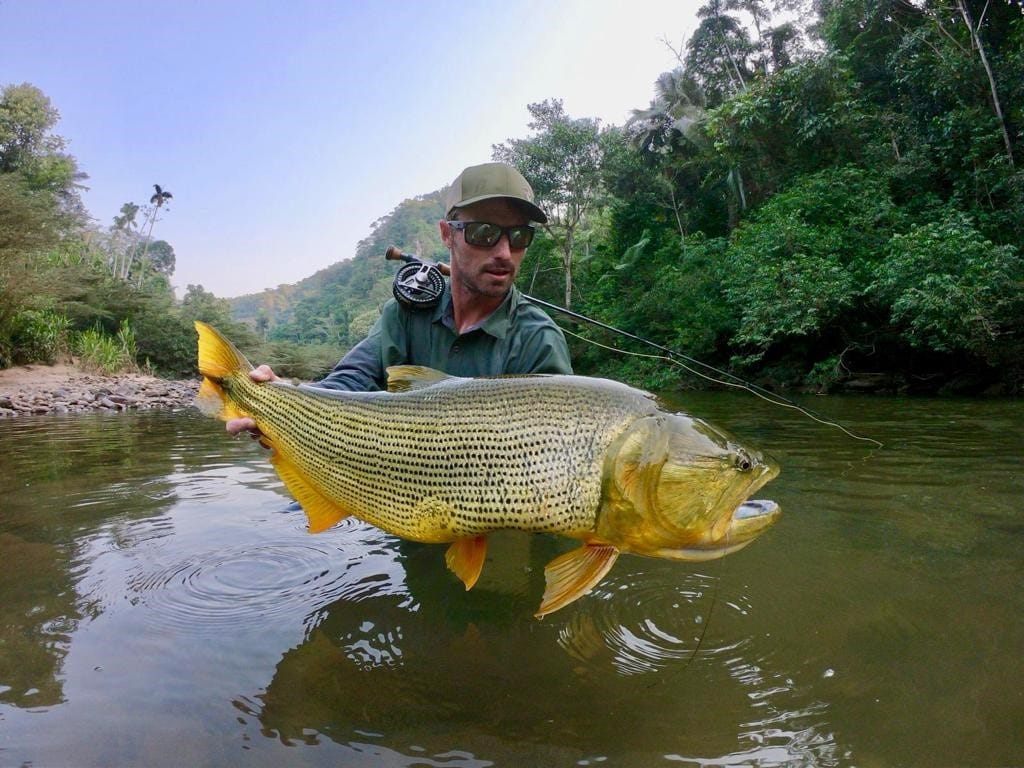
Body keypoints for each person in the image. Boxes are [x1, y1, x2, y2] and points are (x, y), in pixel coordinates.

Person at [226, 161, 572, 437]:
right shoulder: (407, 314)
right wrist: (283, 402)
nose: (504, 253)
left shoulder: (539, 341)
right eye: (484, 233)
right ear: (446, 235)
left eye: (519, 236)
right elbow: (352, 381)